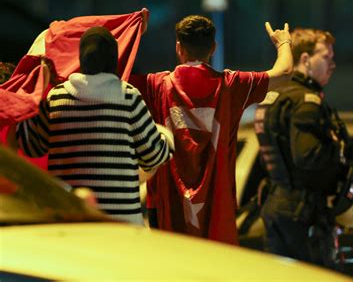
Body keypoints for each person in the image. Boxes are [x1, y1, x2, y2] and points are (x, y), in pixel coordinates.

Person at [129, 15, 292, 244]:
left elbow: (114, 74)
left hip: (167, 204)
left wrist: (132, 33)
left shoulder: (156, 85)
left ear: (179, 48)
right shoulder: (232, 84)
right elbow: (284, 74)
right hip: (217, 205)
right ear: (213, 48)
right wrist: (284, 42)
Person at [12, 26, 174, 226]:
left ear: (81, 59)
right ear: (114, 59)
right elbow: (154, 154)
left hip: (71, 219)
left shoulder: (56, 97)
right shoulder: (128, 97)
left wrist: (28, 96)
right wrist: (167, 138)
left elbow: (32, 146)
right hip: (121, 223)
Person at [254, 28, 349, 267]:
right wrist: (336, 151)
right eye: (326, 57)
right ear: (305, 59)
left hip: (276, 204)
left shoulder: (273, 95)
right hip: (302, 212)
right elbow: (308, 156)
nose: (332, 64)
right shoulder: (306, 101)